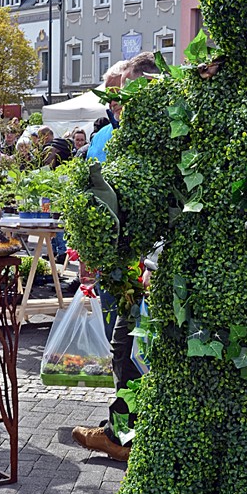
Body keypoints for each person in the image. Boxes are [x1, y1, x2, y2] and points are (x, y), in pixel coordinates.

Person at [70, 51, 161, 460]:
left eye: (119, 95)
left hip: (145, 265)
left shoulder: (146, 143)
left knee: (129, 348)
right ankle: (125, 431)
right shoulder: (123, 135)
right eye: (112, 98)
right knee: (126, 346)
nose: (113, 104)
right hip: (133, 263)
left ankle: (124, 436)